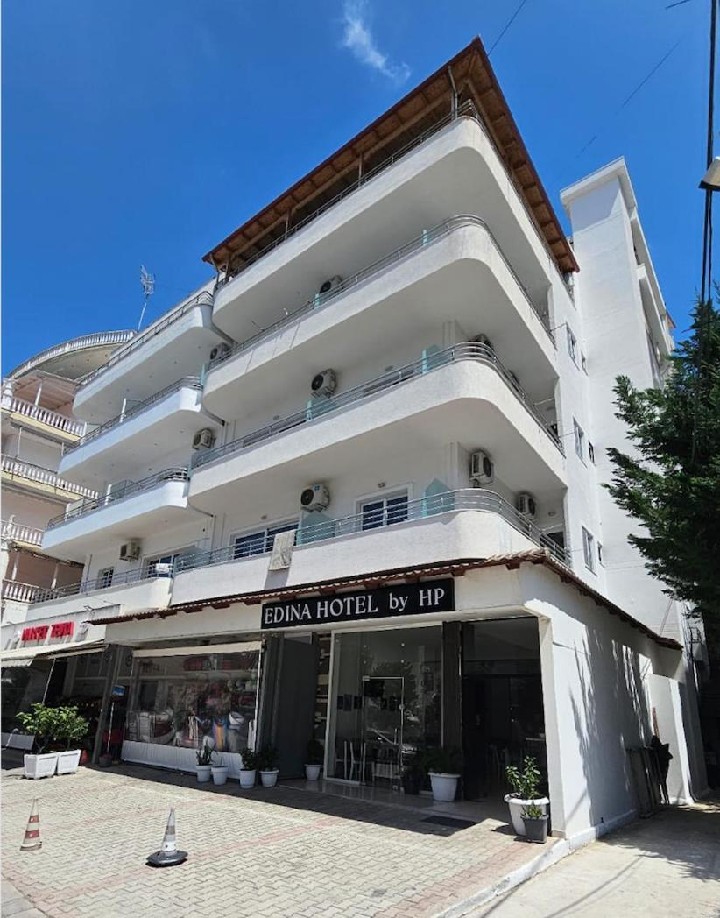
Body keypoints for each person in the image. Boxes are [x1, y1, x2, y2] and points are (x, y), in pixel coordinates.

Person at [650, 734, 673, 804]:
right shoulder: (661, 750)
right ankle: (664, 798)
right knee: (662, 784)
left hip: (661, 769)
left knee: (661, 784)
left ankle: (664, 799)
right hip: (662, 769)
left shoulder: (660, 750)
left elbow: (670, 756)